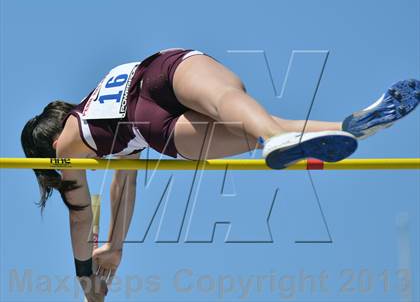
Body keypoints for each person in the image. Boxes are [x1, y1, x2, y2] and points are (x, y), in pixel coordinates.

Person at [20, 48, 419, 301]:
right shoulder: (95, 103)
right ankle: (347, 127)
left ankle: (274, 139)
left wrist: (86, 280)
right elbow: (125, 176)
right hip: (169, 65)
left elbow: (80, 215)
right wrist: (116, 245)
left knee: (251, 137)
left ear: (49, 149)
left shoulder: (66, 148)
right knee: (242, 109)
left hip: (153, 128)